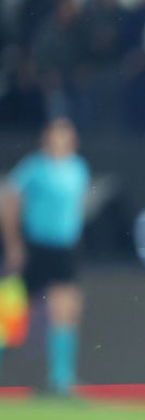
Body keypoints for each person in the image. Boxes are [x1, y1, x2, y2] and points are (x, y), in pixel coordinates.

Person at [0, 117, 90, 396]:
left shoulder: (78, 168)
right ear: (46, 138)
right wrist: (14, 244)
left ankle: (60, 380)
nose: (61, 140)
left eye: (66, 135)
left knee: (66, 311)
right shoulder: (35, 167)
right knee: (12, 312)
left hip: (64, 249)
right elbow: (8, 200)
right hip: (35, 247)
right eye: (56, 134)